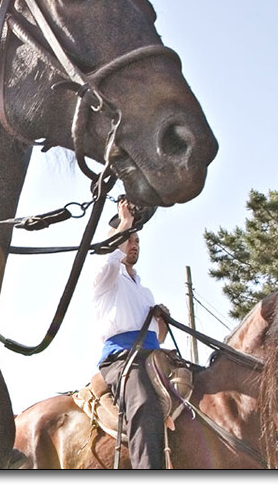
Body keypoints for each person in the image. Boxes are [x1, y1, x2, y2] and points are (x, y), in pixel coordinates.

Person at [90, 197, 169, 469]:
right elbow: (110, 259)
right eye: (128, 240)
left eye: (137, 241)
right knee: (144, 404)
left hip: (153, 356)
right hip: (123, 359)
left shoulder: (143, 289)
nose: (133, 244)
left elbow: (157, 338)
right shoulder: (105, 276)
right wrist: (125, 222)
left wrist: (163, 322)